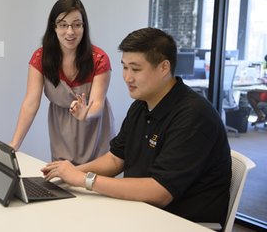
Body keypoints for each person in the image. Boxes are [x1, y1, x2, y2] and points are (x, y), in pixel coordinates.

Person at [42, 27, 232, 226]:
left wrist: (83, 179)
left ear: (164, 67)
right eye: (124, 67)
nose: (127, 77)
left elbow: (160, 192)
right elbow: (116, 159)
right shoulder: (141, 106)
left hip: (182, 222)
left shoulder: (194, 115)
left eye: (136, 69)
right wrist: (68, 174)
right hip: (141, 211)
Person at [10, 0, 115, 165]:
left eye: (76, 24)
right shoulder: (41, 58)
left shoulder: (99, 59)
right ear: (54, 27)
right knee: (63, 178)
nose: (70, 32)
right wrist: (15, 143)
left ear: (84, 26)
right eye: (63, 25)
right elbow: (30, 103)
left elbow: (97, 105)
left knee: (94, 181)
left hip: (93, 129)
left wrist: (85, 113)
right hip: (61, 129)